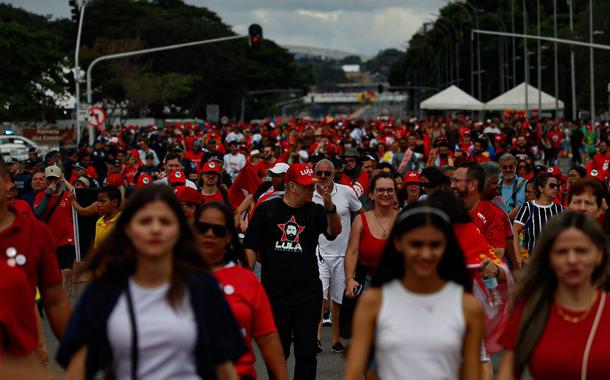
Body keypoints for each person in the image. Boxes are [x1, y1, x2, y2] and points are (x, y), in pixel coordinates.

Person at [57, 185, 246, 379]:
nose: (155, 229)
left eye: (165, 221)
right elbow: (78, 366)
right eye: (145, 221)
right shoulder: (104, 290)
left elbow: (224, 366)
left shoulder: (202, 286)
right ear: (129, 229)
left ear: (179, 229)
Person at [343, 205, 484, 380]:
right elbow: (353, 373)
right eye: (416, 244)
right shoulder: (374, 302)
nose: (426, 254)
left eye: (435, 245)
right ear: (398, 243)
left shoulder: (468, 307)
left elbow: (471, 374)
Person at [243, 163, 341, 380]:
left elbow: (334, 232)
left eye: (312, 186)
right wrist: (246, 279)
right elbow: (251, 245)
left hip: (307, 294)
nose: (312, 190)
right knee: (278, 352)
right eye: (306, 186)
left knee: (307, 353)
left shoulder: (315, 211)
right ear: (291, 186)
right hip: (275, 294)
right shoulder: (267, 210)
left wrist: (330, 206)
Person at [499, 212, 610, 380]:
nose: (572, 260)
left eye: (581, 251)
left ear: (599, 255)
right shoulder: (529, 310)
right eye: (561, 252)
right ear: (549, 258)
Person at [194, 202, 289, 380]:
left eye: (218, 230)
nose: (209, 234)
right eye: (202, 228)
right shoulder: (175, 277)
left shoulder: (247, 280)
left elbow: (267, 338)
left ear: (229, 236)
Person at [312, 159, 362, 353]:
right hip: (319, 251)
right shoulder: (310, 193)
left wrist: (357, 240)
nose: (323, 177)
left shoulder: (347, 192)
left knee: (339, 300)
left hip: (342, 252)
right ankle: (315, 337)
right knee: (320, 297)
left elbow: (360, 214)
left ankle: (335, 339)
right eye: (319, 173)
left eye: (327, 173)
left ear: (334, 174)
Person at [33, 165, 76, 295]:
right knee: (51, 275)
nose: (53, 182)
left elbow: (77, 193)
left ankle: (66, 296)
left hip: (66, 239)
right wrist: (47, 194)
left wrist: (64, 181)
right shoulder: (40, 196)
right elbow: (37, 213)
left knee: (66, 271)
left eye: (55, 179)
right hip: (49, 241)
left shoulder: (67, 195)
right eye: (50, 179)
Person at [451, 163, 507, 258]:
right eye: (452, 180)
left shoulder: (493, 214)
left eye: (457, 181)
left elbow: (498, 253)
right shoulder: (446, 209)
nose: (452, 185)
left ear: (473, 185)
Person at [513, 173, 565, 257]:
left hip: (555, 261)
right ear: (541, 188)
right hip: (532, 261)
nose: (555, 188)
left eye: (557, 186)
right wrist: (517, 255)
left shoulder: (561, 210)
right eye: (552, 185)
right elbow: (515, 231)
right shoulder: (528, 207)